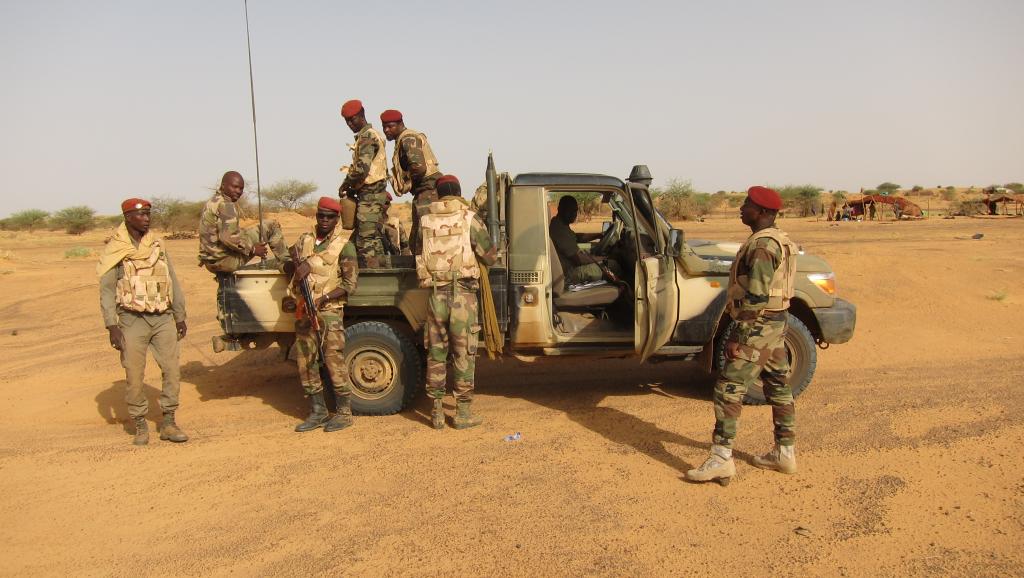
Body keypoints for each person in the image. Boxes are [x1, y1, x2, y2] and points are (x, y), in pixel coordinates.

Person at [686, 186, 799, 485]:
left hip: (759, 325)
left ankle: (721, 458)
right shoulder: (777, 240)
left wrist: (737, 335)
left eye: (748, 203)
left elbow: (757, 297)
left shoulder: (763, 247)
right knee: (777, 385)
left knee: (728, 388)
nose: (742, 207)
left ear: (762, 212)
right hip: (775, 324)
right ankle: (784, 453)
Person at [97, 198, 189, 445]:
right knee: (134, 374)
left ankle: (169, 422)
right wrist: (111, 325)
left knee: (171, 370)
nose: (146, 219)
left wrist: (179, 315)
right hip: (131, 319)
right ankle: (139, 423)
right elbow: (106, 290)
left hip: (163, 317)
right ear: (128, 217)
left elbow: (173, 281)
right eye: (141, 215)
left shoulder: (158, 244)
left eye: (148, 214)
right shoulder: (115, 250)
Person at [417, 175, 497, 430]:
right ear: (459, 192)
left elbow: (415, 250)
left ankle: (437, 412)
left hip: (435, 295)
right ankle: (462, 413)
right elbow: (489, 256)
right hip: (462, 295)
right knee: (464, 352)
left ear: (439, 195)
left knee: (437, 353)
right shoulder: (470, 218)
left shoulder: (425, 220)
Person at [285, 197, 359, 432]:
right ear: (316, 216)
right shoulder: (305, 240)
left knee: (333, 361)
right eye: (321, 216)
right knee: (306, 362)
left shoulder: (344, 245)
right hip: (304, 310)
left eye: (330, 216)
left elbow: (349, 284)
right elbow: (287, 263)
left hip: (328, 312)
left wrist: (324, 298)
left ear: (337, 219)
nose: (324, 220)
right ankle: (318, 411)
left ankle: (344, 412)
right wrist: (297, 268)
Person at [198, 171, 288, 273]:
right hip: (226, 262)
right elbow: (228, 237)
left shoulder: (212, 202)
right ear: (223, 186)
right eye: (235, 187)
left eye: (241, 188)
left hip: (211, 261)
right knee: (271, 226)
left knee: (244, 232)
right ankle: (287, 264)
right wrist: (253, 249)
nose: (238, 191)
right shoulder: (226, 205)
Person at [380, 109, 441, 254]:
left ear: (401, 124)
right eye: (384, 127)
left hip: (428, 191)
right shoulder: (403, 139)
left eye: (391, 126)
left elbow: (419, 168)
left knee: (424, 239)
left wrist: (407, 183)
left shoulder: (407, 138)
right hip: (425, 191)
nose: (387, 130)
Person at [338, 100, 389, 268]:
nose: (350, 124)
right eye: (347, 121)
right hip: (369, 193)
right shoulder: (368, 135)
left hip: (371, 194)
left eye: (353, 119)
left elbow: (361, 169)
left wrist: (346, 184)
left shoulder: (367, 136)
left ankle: (373, 282)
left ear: (362, 115)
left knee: (365, 241)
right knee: (371, 239)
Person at [549, 195, 623, 285]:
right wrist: (605, 258)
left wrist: (599, 235)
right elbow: (579, 260)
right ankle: (619, 294)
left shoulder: (559, 224)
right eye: (570, 210)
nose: (574, 214)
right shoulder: (559, 230)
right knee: (614, 265)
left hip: (569, 268)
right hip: (569, 274)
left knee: (600, 258)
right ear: (560, 209)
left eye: (575, 210)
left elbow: (577, 237)